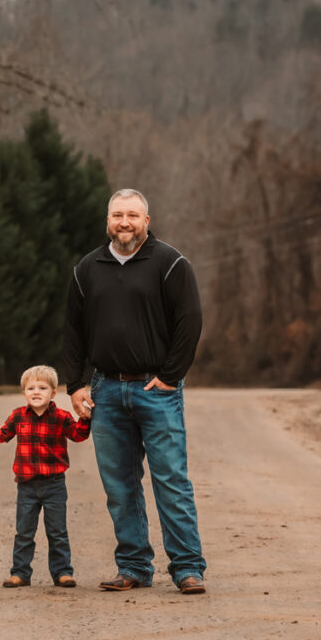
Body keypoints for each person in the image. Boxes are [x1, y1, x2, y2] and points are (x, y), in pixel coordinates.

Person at [64, 188, 207, 595]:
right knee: (119, 486)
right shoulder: (88, 268)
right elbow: (73, 331)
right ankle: (133, 566)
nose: (123, 222)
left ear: (146, 220)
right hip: (106, 391)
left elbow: (189, 322)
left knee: (171, 481)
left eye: (132, 215)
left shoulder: (170, 263)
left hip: (156, 389)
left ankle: (187, 568)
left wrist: (169, 375)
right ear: (107, 220)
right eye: (116, 215)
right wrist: (75, 385)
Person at [0, 365, 91, 589]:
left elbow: (78, 436)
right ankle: (20, 573)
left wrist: (85, 418)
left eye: (42, 387)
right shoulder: (18, 416)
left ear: (53, 393)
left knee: (57, 532)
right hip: (26, 485)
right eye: (31, 388)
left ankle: (62, 572)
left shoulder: (61, 417)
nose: (36, 392)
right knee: (24, 532)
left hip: (54, 484)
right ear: (24, 393)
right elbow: (1, 436)